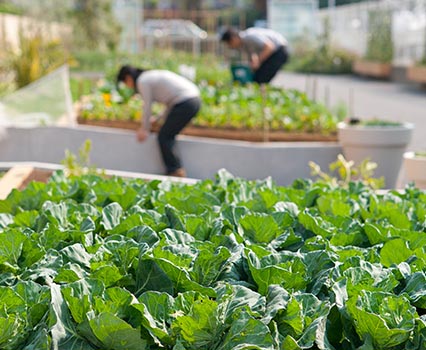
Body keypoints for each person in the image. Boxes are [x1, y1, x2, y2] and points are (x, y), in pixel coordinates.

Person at [117, 66, 201, 177]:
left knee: (164, 136)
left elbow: (147, 106)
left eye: (126, 83)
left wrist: (144, 129)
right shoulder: (149, 77)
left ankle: (175, 171)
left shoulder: (143, 81)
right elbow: (170, 103)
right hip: (192, 100)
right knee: (168, 134)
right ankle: (175, 170)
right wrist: (157, 119)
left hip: (186, 102)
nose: (128, 86)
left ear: (128, 78)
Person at [220, 27, 289, 84]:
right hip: (274, 52)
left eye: (229, 43)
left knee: (261, 78)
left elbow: (269, 47)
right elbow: (254, 55)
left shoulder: (249, 37)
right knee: (257, 76)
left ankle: (262, 95)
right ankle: (262, 93)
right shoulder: (243, 45)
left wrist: (258, 61)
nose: (230, 46)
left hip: (279, 50)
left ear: (233, 39)